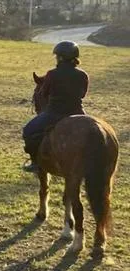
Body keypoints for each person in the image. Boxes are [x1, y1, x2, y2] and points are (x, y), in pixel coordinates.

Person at [21, 40, 89, 173]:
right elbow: (83, 95)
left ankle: (35, 162)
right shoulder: (83, 75)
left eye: (57, 56)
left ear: (61, 57)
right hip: (78, 112)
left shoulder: (52, 74)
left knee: (28, 131)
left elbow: (44, 93)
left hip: (54, 113)